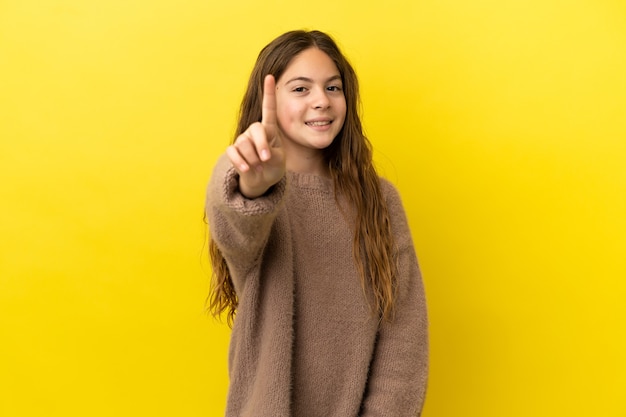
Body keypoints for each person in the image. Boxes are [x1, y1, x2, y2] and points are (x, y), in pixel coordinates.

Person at [205, 29, 428, 417]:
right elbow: (235, 226)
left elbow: (404, 342)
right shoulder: (257, 197)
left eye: (333, 87)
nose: (321, 101)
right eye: (301, 89)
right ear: (268, 99)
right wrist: (252, 183)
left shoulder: (380, 201)